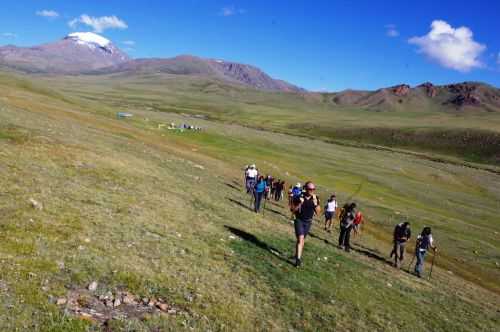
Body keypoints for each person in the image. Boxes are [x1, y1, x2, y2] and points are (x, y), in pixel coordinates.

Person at [290, 181, 321, 267]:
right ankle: (298, 261)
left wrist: (315, 203)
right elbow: (292, 210)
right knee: (300, 238)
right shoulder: (299, 196)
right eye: (310, 189)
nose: (312, 191)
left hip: (308, 222)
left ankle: (297, 256)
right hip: (299, 220)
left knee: (302, 240)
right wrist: (300, 203)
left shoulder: (315, 198)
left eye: (313, 189)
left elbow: (318, 213)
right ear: (305, 189)